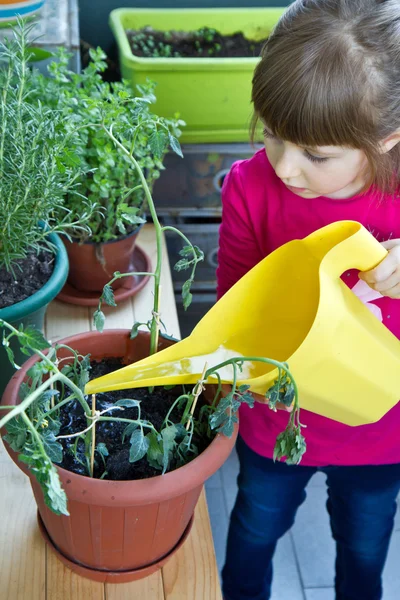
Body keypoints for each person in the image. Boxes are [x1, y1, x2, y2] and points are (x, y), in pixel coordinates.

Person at [217, 1, 400, 599]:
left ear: (386, 139)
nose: (285, 167)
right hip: (276, 424)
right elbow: (233, 305)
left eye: (316, 156)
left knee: (366, 550)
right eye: (272, 135)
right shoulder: (250, 188)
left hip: (379, 432)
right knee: (252, 532)